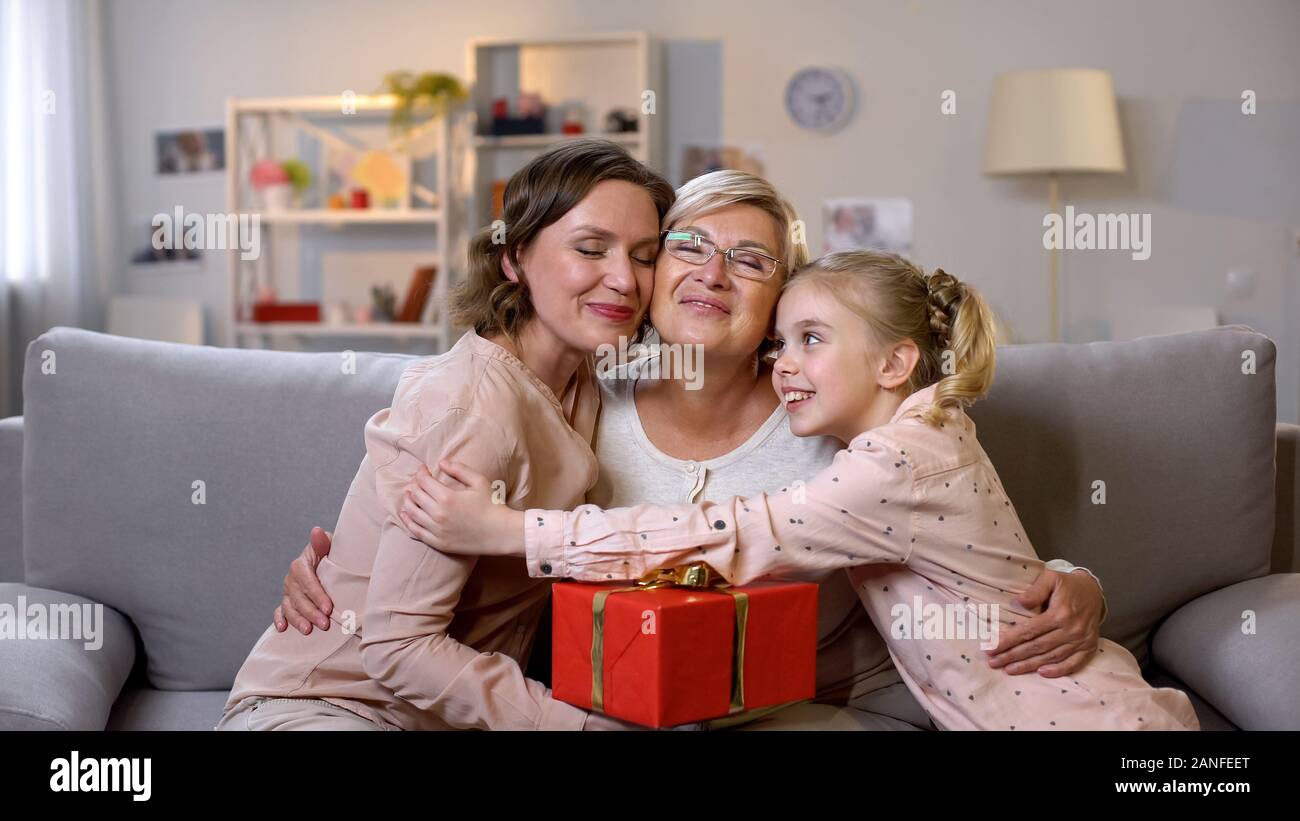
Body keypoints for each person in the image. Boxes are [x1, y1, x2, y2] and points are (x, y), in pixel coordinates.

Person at [403, 250, 1197, 731]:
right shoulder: (929, 434)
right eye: (779, 343)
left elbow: (728, 535)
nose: (782, 362)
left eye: (811, 341)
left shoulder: (892, 461)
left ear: (894, 364)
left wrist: (513, 531)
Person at [217, 139, 674, 730]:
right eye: (590, 249)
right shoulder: (472, 408)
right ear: (514, 260)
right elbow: (396, 645)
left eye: (644, 256)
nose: (624, 279)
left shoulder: (586, 379)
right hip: (329, 707)